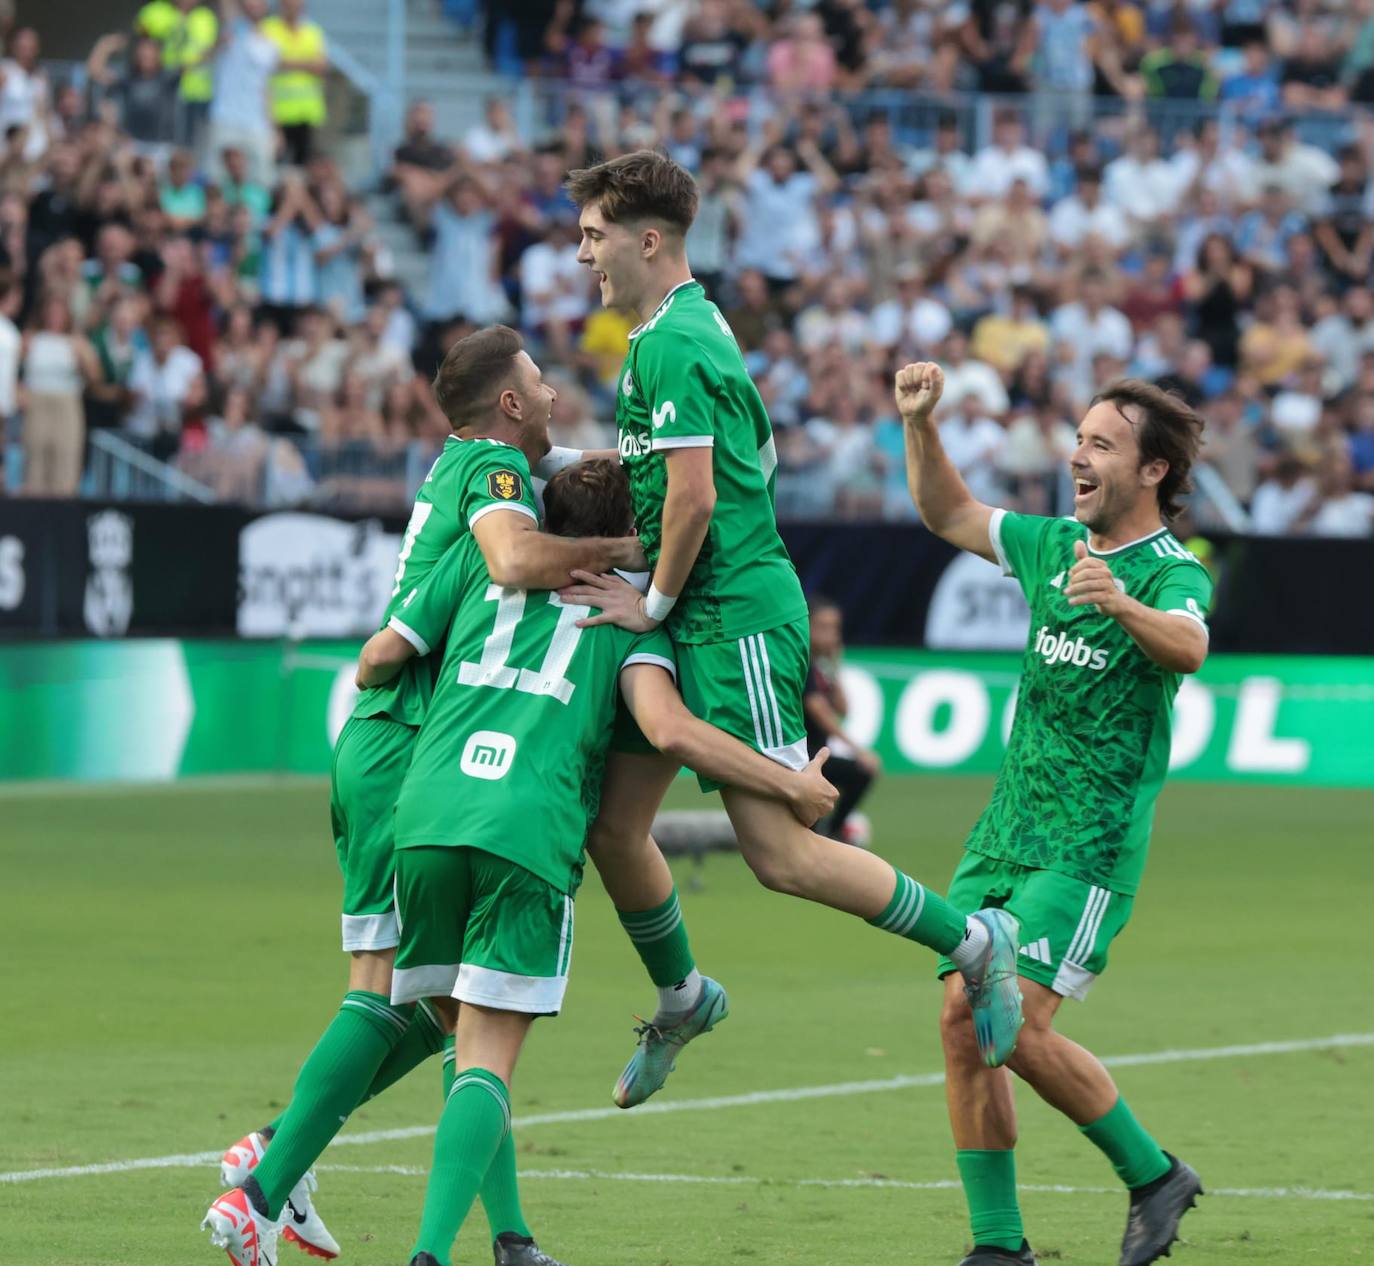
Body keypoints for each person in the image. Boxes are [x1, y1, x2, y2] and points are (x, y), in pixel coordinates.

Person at [559, 150, 1023, 1109]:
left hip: (724, 613)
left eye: (595, 235)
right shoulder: (690, 325)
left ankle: (975, 943)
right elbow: (729, 466)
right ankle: (684, 995)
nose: (581, 254)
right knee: (614, 826)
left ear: (649, 240)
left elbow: (690, 501)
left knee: (782, 856)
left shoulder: (671, 343)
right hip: (696, 601)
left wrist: (650, 601)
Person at [202, 326, 657, 1266]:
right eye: (540, 382)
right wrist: (629, 550)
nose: (556, 398)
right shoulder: (491, 469)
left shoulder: (484, 458)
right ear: (509, 404)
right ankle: (265, 1175)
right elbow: (512, 560)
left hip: (419, 750)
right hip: (409, 742)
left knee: (458, 1010)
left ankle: (509, 1238)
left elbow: (600, 464)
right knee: (394, 998)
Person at [353, 460, 837, 1266]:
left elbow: (377, 660)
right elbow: (674, 734)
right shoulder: (625, 623)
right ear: (624, 539)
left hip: (425, 822)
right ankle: (428, 1256)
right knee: (484, 1060)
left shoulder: (473, 567)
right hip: (527, 834)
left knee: (451, 1036)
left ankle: (509, 1241)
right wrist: (790, 784)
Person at [896, 363, 1209, 1266]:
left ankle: (1153, 1175)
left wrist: (1122, 603)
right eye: (1079, 437)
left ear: (1152, 472)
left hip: (1087, 845)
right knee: (963, 1025)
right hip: (1003, 833)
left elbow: (1190, 645)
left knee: (1012, 1023)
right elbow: (948, 514)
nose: (1077, 455)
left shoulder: (1167, 571)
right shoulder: (1048, 544)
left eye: (1101, 444)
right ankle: (1000, 1249)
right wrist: (922, 427)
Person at [803, 594, 881, 844]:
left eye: (835, 628)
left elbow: (843, 709)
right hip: (801, 756)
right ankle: (833, 832)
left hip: (814, 756)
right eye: (823, 627)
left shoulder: (822, 667)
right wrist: (858, 750)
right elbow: (820, 712)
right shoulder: (801, 663)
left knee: (858, 774)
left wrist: (835, 665)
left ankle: (833, 831)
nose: (832, 634)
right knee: (859, 771)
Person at [260, 0, 328, 168]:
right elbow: (270, 63)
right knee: (275, 163)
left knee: (303, 164)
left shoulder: (312, 31)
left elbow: (321, 66)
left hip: (306, 111)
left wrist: (289, 63)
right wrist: (306, 64)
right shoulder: (268, 29)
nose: (294, 9)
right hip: (277, 112)